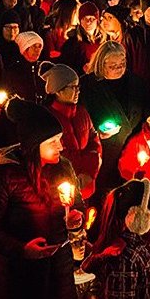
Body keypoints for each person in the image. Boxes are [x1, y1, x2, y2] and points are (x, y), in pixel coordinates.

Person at [0, 97, 79, 299]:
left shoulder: (63, 168)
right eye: (53, 141)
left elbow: (77, 207)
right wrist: (22, 249)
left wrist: (76, 220)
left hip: (58, 273)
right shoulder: (4, 175)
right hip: (19, 278)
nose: (61, 147)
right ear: (34, 143)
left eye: (60, 140)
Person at [80, 41, 150, 206]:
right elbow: (82, 118)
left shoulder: (135, 82)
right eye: (113, 66)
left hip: (131, 149)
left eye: (122, 64)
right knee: (105, 197)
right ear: (101, 64)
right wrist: (97, 132)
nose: (119, 68)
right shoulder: (88, 86)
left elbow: (145, 108)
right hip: (105, 151)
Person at [40, 62, 100, 200]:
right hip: (60, 187)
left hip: (87, 184)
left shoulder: (82, 112)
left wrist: (89, 172)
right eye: (73, 87)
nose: (78, 91)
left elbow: (94, 141)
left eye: (78, 87)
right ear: (58, 90)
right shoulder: (48, 118)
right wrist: (80, 170)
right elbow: (60, 155)